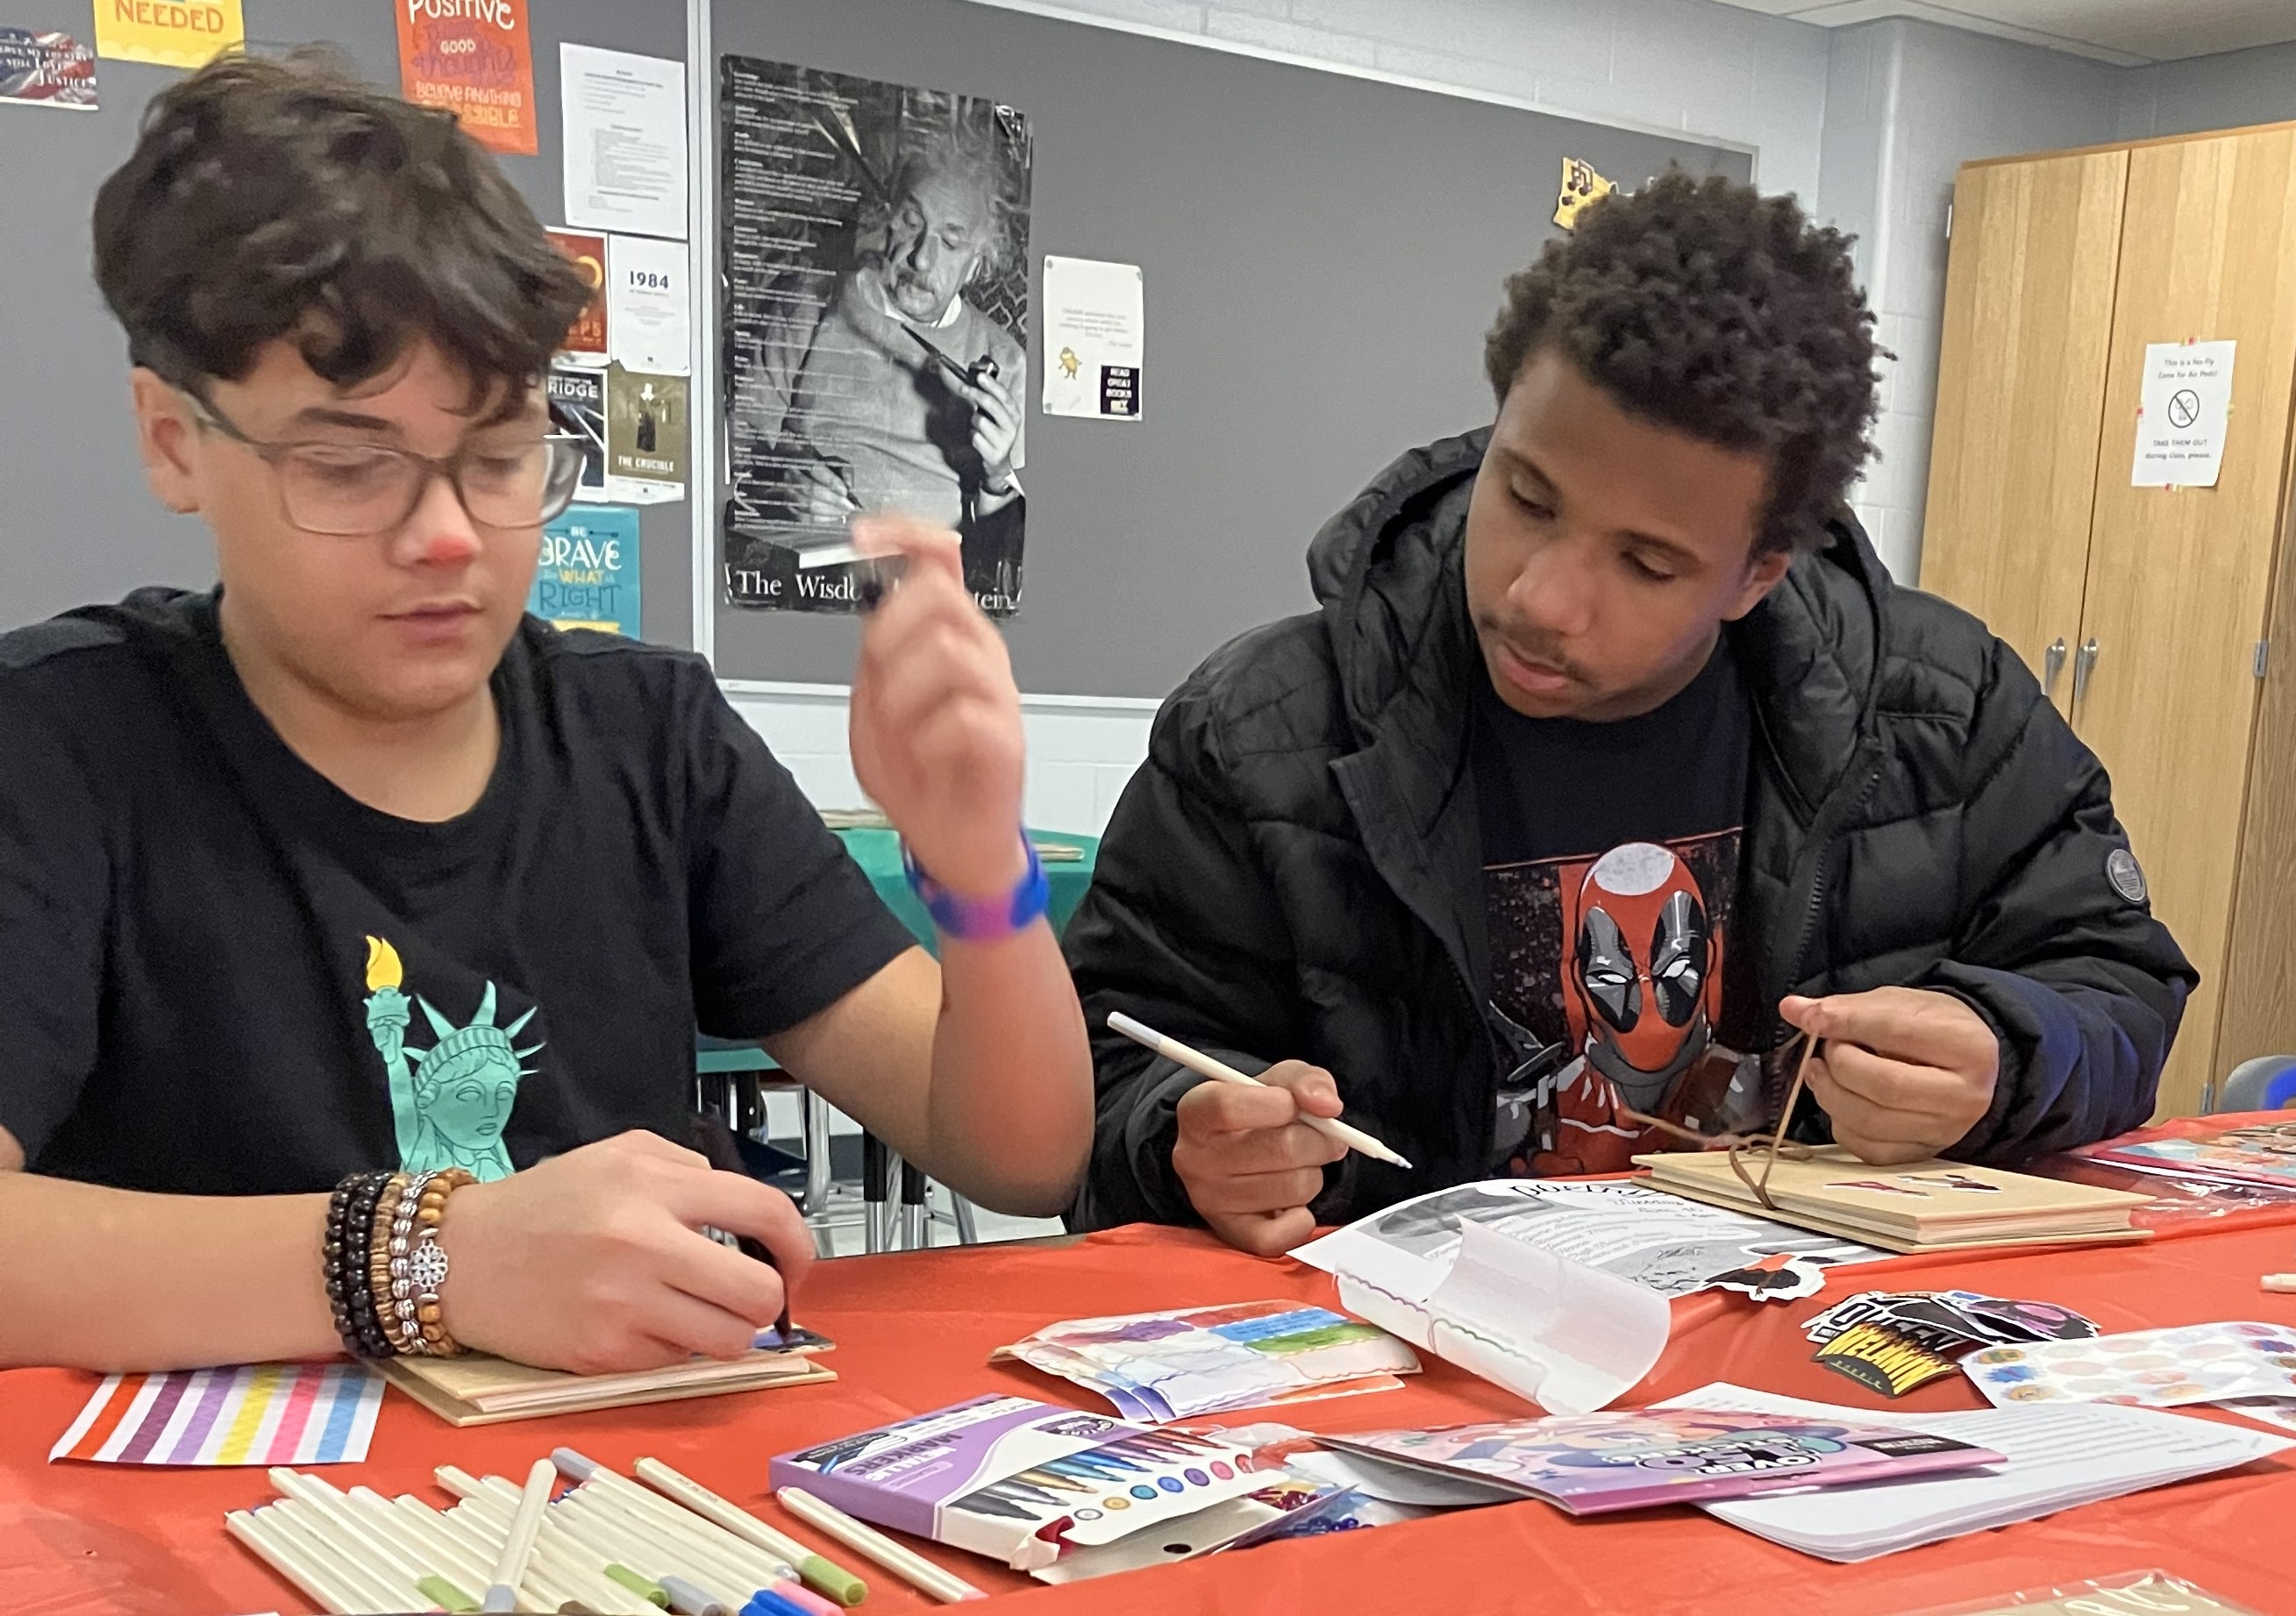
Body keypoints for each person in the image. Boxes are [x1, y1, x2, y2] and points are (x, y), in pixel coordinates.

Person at [0, 52, 1091, 1373]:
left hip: (611, 1471)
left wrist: (977, 869)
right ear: (174, 438)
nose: (448, 536)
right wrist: (434, 1259)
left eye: (504, 453)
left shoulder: (647, 736)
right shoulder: (59, 743)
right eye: (348, 465)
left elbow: (1020, 1156)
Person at [1066, 172, 2194, 1254]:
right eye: (1524, 496)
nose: (1539, 600)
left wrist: (2005, 1055)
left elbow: (2113, 979)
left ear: (1757, 573)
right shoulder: (1259, 736)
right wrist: (1180, 1142)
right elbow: (1097, 1075)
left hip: (1795, 1342)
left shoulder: (1941, 711)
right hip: (1411, 1350)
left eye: (1646, 563)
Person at [740, 142, 1028, 604]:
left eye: (950, 242)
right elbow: (736, 442)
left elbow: (1003, 558)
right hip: (801, 579)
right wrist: (782, 480)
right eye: (912, 223)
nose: (921, 259)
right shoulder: (812, 298)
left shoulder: (1005, 360)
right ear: (888, 221)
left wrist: (997, 473)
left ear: (977, 264)